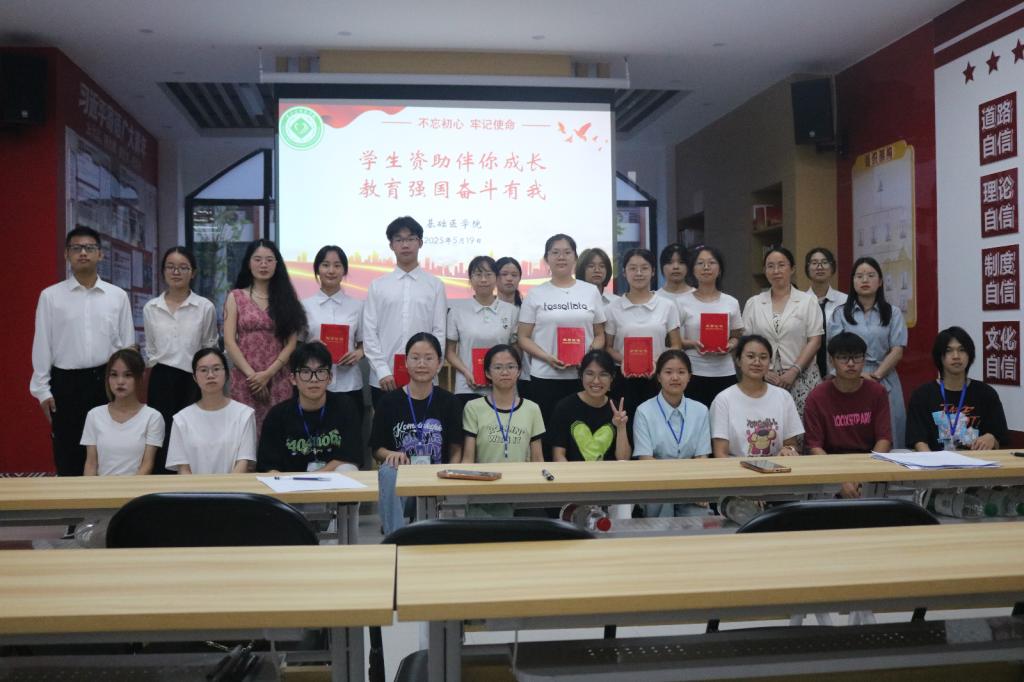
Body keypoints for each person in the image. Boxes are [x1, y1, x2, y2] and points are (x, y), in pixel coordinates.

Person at [31, 226, 135, 476]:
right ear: (67, 254)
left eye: (89, 248)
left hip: (106, 382)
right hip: (65, 383)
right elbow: (42, 344)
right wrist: (42, 390)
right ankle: (71, 502)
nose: (83, 253)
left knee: (109, 451)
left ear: (100, 254)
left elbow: (127, 346)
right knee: (68, 452)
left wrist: (125, 385)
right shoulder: (50, 297)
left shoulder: (117, 296)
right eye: (76, 248)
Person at [518, 234, 606, 457]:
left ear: (575, 258)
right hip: (545, 376)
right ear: (546, 259)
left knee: (579, 438)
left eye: (567, 252)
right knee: (548, 435)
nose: (561, 257)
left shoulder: (590, 291)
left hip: (582, 378)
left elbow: (600, 334)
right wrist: (547, 357)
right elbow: (523, 338)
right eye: (555, 252)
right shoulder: (535, 294)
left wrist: (588, 356)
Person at [371, 333, 464, 534]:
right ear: (405, 362)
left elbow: (456, 448)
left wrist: (450, 474)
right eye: (415, 358)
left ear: (439, 363)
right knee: (387, 470)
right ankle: (395, 537)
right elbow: (376, 448)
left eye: (428, 358)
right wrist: (390, 455)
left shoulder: (450, 402)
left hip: (438, 480)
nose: (421, 364)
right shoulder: (388, 402)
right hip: (402, 486)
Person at [143, 246, 218, 474]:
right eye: (171, 267)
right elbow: (151, 348)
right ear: (163, 271)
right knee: (162, 436)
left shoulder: (204, 307)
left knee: (193, 435)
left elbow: (209, 346)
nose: (176, 272)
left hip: (193, 380)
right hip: (161, 379)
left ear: (193, 272)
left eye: (183, 267)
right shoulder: (151, 307)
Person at [223, 239, 306, 433]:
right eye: (258, 259)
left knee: (278, 433)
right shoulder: (235, 297)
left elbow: (291, 343)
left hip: (278, 377)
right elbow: (229, 341)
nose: (263, 265)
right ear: (248, 262)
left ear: (277, 264)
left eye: (269, 260)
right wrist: (254, 378)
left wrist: (268, 374)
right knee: (245, 433)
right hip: (245, 379)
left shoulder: (287, 298)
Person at [363, 216, 447, 407]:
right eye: (399, 239)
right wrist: (382, 370)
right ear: (391, 245)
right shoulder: (378, 286)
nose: (405, 244)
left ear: (420, 243)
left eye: (411, 238)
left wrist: (432, 368)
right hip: (385, 379)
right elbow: (369, 332)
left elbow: (439, 331)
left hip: (424, 377)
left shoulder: (435, 286)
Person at [827, 256, 907, 448]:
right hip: (849, 378)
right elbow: (835, 350)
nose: (865, 280)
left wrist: (876, 376)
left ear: (880, 282)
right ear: (853, 281)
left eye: (871, 275)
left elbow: (897, 350)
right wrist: (859, 375)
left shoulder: (893, 312)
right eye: (859, 276)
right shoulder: (840, 313)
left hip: (884, 377)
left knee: (889, 432)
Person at [804, 333, 892, 497]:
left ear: (864, 360)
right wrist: (839, 479)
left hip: (869, 463)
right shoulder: (816, 397)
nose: (851, 364)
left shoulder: (877, 392)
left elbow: (884, 439)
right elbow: (815, 447)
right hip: (830, 465)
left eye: (857, 357)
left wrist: (863, 476)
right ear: (831, 360)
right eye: (843, 358)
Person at [604, 248, 682, 431]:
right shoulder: (613, 308)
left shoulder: (667, 306)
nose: (638, 273)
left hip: (657, 378)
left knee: (658, 429)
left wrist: (657, 362)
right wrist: (626, 360)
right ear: (624, 273)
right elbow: (608, 347)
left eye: (644, 268)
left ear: (653, 271)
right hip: (624, 378)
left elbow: (676, 345)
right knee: (626, 428)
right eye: (632, 268)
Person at [257, 342, 363, 473]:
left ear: (330, 377)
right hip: (290, 482)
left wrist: (313, 478)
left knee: (348, 468)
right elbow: (268, 466)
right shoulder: (277, 415)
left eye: (320, 372)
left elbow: (350, 456)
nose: (314, 379)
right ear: (293, 379)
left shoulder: (345, 407)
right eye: (305, 372)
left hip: (332, 480)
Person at [741, 247, 822, 418]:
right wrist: (764, 372)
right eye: (770, 266)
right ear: (765, 271)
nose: (776, 271)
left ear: (792, 269)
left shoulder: (808, 301)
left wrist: (794, 371)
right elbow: (746, 343)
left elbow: (815, 340)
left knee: (804, 426)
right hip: (763, 376)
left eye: (781, 265)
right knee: (766, 427)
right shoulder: (754, 303)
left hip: (802, 375)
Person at [632, 350, 712, 517]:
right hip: (657, 486)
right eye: (668, 372)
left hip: (692, 487)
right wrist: (676, 483)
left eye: (681, 372)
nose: (675, 377)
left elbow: (701, 458)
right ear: (658, 377)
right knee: (660, 525)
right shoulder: (644, 411)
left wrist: (696, 488)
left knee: (701, 522)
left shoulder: (701, 410)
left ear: (689, 377)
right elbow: (645, 459)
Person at [906, 326, 1009, 451]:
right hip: (935, 461)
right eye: (949, 350)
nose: (956, 356)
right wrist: (931, 460)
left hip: (977, 462)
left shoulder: (986, 393)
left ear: (969, 355)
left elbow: (1000, 440)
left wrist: (991, 438)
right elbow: (918, 440)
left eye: (962, 350)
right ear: (940, 356)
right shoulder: (922, 395)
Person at [301, 245, 365, 438]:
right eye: (325, 265)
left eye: (337, 265)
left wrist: (358, 353)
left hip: (349, 385)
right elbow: (295, 346)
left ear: (344, 270)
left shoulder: (358, 306)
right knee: (315, 440)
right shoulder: (304, 306)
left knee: (349, 438)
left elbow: (364, 344)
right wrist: (310, 348)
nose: (331, 270)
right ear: (317, 269)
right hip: (313, 385)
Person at [166, 348, 257, 474]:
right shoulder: (181, 419)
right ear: (194, 377)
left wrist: (227, 487)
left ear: (226, 374)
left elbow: (243, 463)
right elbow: (183, 469)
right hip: (192, 487)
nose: (210, 375)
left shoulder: (244, 414)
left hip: (233, 486)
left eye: (216, 369)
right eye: (203, 370)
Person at [710, 335, 803, 457]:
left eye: (763, 357)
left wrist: (789, 450)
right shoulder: (723, 400)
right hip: (736, 467)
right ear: (738, 361)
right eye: (750, 356)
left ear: (770, 362)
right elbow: (720, 453)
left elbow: (791, 444)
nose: (757, 362)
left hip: (776, 466)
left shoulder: (784, 397)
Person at [676, 245, 743, 407]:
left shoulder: (731, 302)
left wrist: (730, 345)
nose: (706, 267)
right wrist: (693, 343)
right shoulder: (681, 302)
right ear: (693, 270)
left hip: (725, 372)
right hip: (693, 372)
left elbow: (737, 336)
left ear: (719, 270)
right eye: (700, 263)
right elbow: (673, 340)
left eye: (711, 263)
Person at [446, 256, 519, 405]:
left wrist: (508, 373)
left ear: (496, 278)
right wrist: (466, 372)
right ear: (470, 280)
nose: (483, 280)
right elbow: (450, 352)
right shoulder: (457, 311)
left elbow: (516, 350)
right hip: (468, 386)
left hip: (503, 386)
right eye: (478, 275)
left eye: (488, 274)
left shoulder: (511, 311)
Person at [81, 348, 163, 476]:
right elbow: (91, 464)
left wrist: (127, 488)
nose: (120, 382)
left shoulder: (152, 417)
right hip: (100, 486)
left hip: (137, 487)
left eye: (128, 375)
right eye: (114, 375)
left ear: (140, 377)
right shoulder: (94, 415)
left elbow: (147, 465)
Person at [462, 345, 545, 464]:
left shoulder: (532, 409)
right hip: (485, 475)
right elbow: (468, 459)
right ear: (488, 373)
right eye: (498, 367)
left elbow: (537, 459)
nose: (505, 372)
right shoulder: (473, 408)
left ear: (519, 371)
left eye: (511, 367)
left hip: (521, 475)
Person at [550, 350, 630, 462]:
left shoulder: (617, 409)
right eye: (590, 374)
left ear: (612, 378)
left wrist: (621, 427)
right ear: (581, 375)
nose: (596, 381)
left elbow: (623, 459)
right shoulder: (565, 407)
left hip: (609, 472)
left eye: (603, 374)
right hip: (574, 472)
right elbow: (558, 455)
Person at [805, 247, 848, 379]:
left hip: (839, 373)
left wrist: (835, 372)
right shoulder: (799, 302)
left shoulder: (845, 301)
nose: (819, 267)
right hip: (805, 373)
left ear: (832, 267)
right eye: (814, 263)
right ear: (807, 268)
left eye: (824, 262)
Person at [495, 256, 531, 398]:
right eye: (504, 274)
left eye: (514, 275)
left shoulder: (528, 308)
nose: (509, 278)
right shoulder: (489, 309)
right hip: (496, 372)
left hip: (525, 374)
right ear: (495, 277)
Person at [654, 243, 693, 308]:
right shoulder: (654, 299)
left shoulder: (699, 298)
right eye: (670, 262)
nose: (676, 267)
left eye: (681, 262)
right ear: (662, 267)